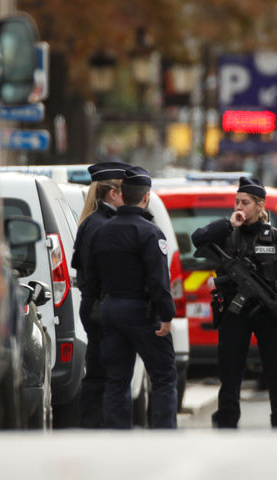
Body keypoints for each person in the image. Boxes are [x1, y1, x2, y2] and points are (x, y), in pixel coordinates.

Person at [191, 177, 277, 429]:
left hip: (269, 312)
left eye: (245, 203)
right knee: (230, 368)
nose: (239, 207)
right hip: (234, 310)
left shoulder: (275, 238)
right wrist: (229, 223)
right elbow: (198, 238)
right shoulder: (227, 234)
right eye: (237, 202)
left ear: (261, 206)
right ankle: (227, 417)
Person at [84, 166, 178, 429]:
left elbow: (92, 276)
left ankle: (117, 437)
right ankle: (163, 433)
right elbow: (158, 281)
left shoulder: (102, 230)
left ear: (122, 195)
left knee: (116, 379)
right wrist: (167, 315)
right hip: (142, 312)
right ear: (145, 197)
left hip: (110, 309)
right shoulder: (149, 232)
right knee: (163, 376)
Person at [71, 161, 128, 428]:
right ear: (113, 194)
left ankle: (94, 424)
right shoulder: (102, 224)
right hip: (99, 304)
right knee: (101, 371)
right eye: (124, 190)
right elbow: (95, 271)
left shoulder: (93, 221)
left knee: (100, 368)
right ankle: (95, 426)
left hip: (94, 303)